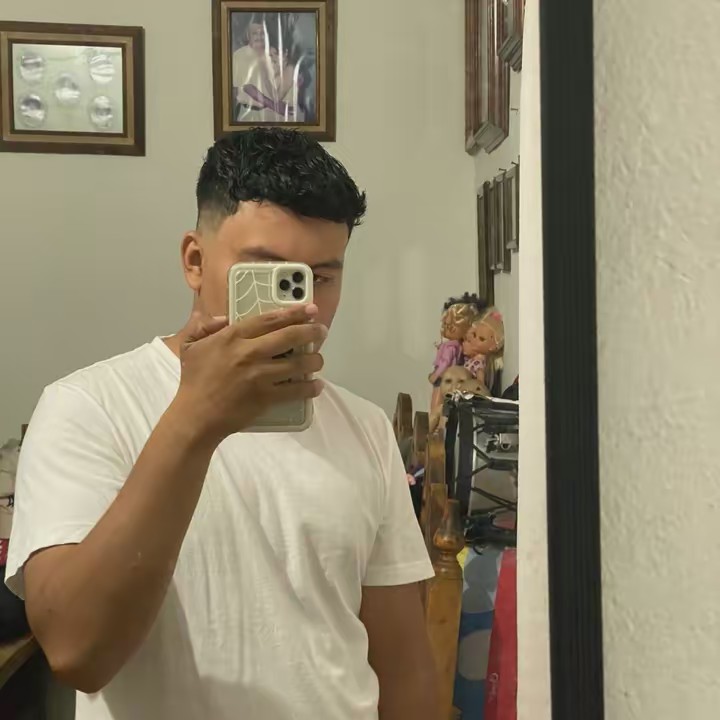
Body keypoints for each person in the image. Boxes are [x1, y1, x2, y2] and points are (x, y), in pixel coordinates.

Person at [5, 128, 440, 720]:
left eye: (322, 276)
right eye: (267, 272)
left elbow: (404, 669)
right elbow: (76, 651)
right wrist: (195, 419)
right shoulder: (86, 407)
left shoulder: (364, 427)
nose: (301, 306)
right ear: (194, 260)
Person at [232, 15, 304, 123]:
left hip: (279, 115)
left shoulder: (273, 51)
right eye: (255, 33)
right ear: (248, 35)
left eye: (262, 33)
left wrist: (295, 82)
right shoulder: (240, 55)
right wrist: (275, 106)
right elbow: (247, 88)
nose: (259, 37)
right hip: (251, 115)